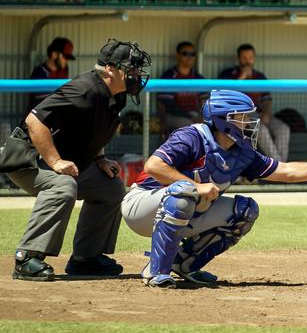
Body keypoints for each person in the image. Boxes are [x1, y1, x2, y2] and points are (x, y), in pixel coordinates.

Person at [121, 90, 307, 288]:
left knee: (246, 210)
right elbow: (153, 166)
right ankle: (156, 271)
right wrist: (197, 186)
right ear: (224, 120)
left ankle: (184, 264)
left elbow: (287, 171)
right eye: (242, 117)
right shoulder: (192, 136)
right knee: (184, 191)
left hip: (187, 210)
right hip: (142, 206)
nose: (249, 122)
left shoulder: (242, 151)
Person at [8, 38, 151, 281]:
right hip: (28, 158)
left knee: (110, 187)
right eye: (131, 69)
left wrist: (100, 159)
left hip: (66, 159)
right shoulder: (83, 89)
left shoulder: (117, 94)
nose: (136, 75)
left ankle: (86, 257)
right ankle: (27, 257)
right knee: (63, 186)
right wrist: (54, 162)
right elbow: (34, 122)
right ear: (110, 69)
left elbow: (93, 130)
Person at [218, 43, 290, 162]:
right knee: (261, 130)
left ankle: (282, 165)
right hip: (238, 116)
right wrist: (242, 77)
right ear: (238, 59)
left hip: (259, 114)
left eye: (251, 58)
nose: (248, 61)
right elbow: (225, 97)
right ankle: (280, 166)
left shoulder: (260, 76)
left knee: (284, 129)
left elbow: (267, 100)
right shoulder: (228, 74)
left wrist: (266, 113)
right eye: (244, 58)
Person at [157, 41, 209, 138]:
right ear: (178, 55)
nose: (189, 57)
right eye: (185, 54)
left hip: (196, 115)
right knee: (192, 127)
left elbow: (205, 102)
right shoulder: (169, 76)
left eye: (192, 54)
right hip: (174, 116)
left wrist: (203, 117)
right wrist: (192, 118)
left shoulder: (198, 78)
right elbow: (168, 106)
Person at [28, 37, 76, 112]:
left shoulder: (64, 69)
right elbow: (40, 103)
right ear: (54, 55)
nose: (67, 61)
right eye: (65, 57)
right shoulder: (39, 73)